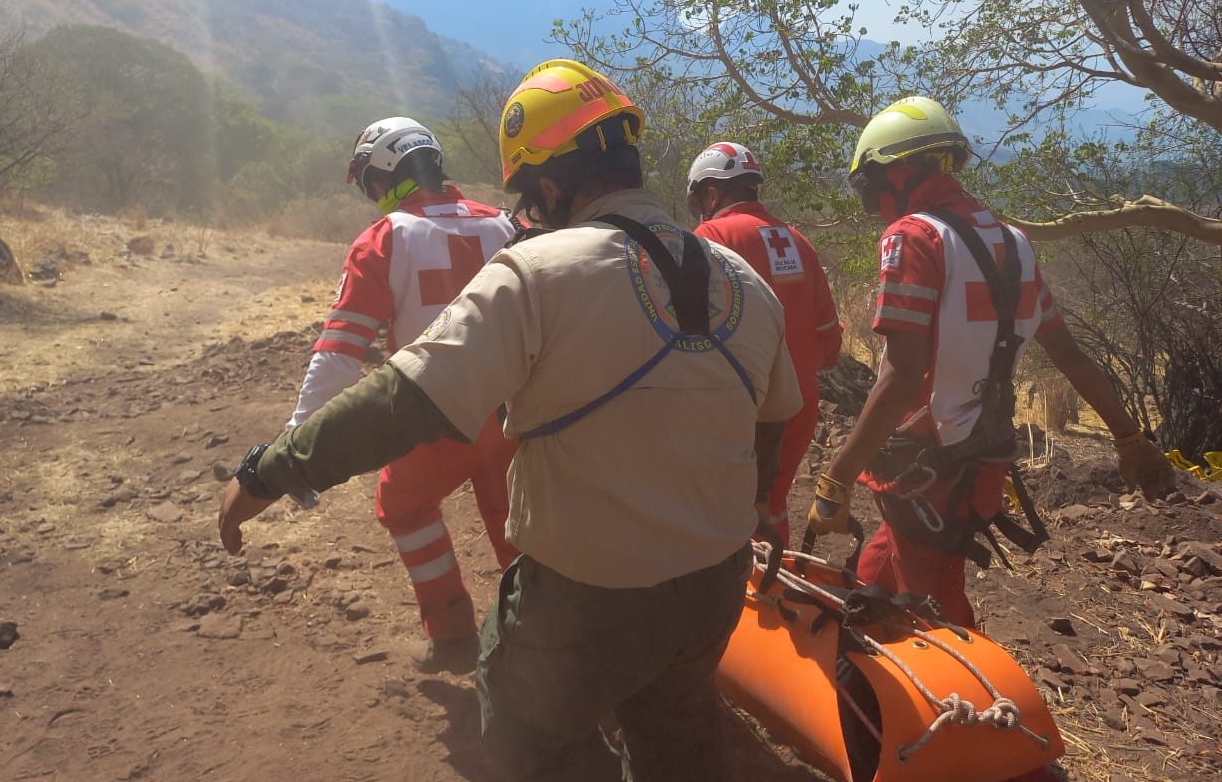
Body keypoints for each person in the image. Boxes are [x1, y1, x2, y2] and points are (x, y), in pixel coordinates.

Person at [219, 59, 802, 782]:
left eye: (532, 190)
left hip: (590, 596)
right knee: (673, 734)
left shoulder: (535, 273)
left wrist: (267, 472)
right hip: (716, 583)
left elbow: (400, 402)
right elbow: (771, 428)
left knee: (531, 737)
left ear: (552, 184)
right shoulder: (746, 283)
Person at [806, 96, 1179, 632]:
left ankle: (967, 709)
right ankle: (861, 662)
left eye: (869, 188)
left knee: (936, 621)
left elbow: (903, 374)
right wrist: (1128, 437)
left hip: (924, 463)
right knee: (882, 571)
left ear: (899, 172)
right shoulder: (1015, 244)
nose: (874, 207)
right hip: (982, 455)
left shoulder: (913, 238)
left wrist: (835, 478)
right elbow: (1068, 352)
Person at [287, 115, 518, 673]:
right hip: (514, 412)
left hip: (433, 413)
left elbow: (340, 352)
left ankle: (451, 632)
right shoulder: (507, 224)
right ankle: (540, 636)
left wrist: (300, 438)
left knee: (405, 506)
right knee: (518, 523)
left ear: (383, 174)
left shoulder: (386, 237)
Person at [688, 143, 843, 546]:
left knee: (722, 513)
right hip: (799, 402)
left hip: (743, 405)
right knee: (770, 507)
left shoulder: (712, 236)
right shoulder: (798, 241)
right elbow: (830, 341)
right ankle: (776, 593)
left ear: (711, 194)